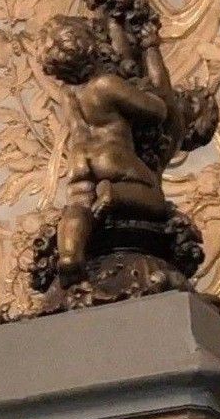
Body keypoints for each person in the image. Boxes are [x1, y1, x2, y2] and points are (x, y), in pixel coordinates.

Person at [37, 15, 169, 287]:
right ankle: (115, 194)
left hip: (79, 160)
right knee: (154, 197)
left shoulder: (68, 94)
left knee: (77, 204)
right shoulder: (105, 85)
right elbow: (157, 111)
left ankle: (70, 254)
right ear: (89, 44)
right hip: (110, 155)